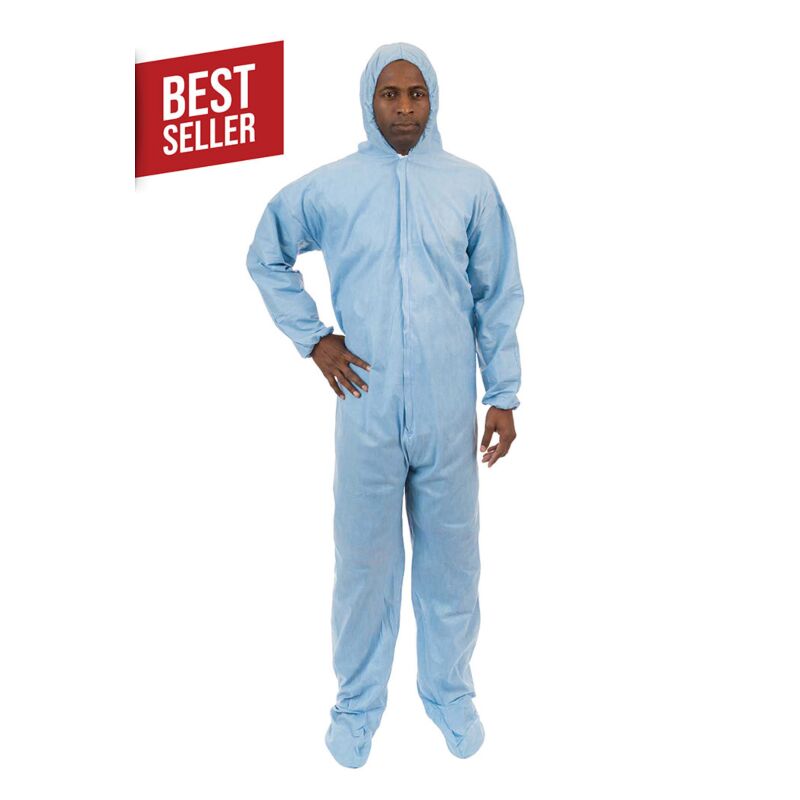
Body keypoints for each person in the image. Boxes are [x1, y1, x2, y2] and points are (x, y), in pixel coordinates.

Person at [246, 42, 524, 768]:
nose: (404, 109)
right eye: (390, 95)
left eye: (416, 94)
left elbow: (497, 294)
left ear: (433, 100)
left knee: (453, 562)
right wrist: (315, 339)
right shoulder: (334, 188)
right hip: (365, 406)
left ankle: (450, 694)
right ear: (369, 100)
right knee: (365, 565)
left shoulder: (469, 186)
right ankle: (357, 704)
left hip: (448, 412)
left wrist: (502, 393)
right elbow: (266, 252)